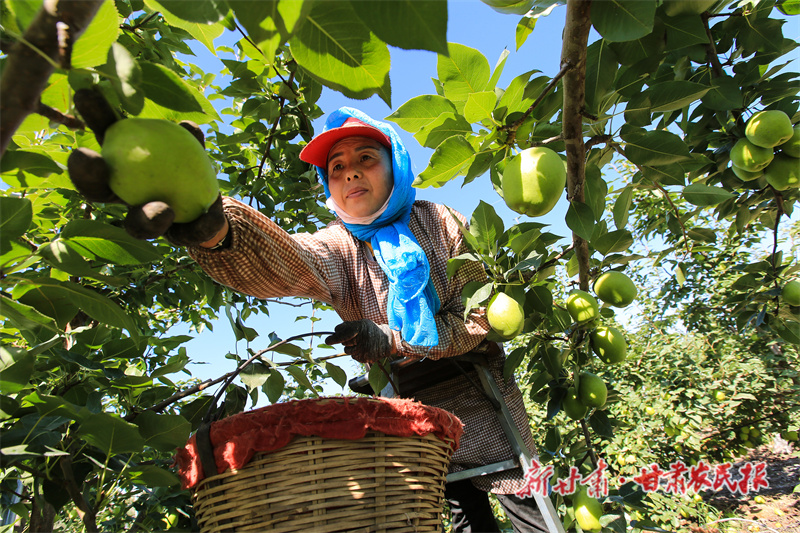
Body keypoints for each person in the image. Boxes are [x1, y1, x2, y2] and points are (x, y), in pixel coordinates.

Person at [68, 100, 548, 532]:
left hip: (479, 389)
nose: (350, 173)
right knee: (460, 510)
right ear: (328, 186)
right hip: (409, 406)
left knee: (525, 499)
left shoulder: (440, 221)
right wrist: (217, 229)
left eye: (365, 158)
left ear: (396, 165)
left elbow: (482, 315)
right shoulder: (340, 247)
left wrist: (396, 339)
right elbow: (291, 261)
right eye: (336, 167)